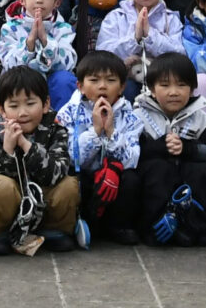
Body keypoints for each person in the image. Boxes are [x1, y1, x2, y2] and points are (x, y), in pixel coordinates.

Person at [0, 64, 83, 256]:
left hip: (40, 201)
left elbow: (56, 172)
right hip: (10, 202)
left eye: (30, 103)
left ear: (46, 104)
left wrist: (26, 145)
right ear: (2, 109)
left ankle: (53, 231)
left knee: (68, 185)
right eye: (14, 106)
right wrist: (7, 148)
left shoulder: (56, 131)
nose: (23, 112)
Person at [129, 50, 206, 245]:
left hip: (188, 175)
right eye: (164, 85)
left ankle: (198, 227)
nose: (174, 92)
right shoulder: (138, 116)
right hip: (157, 178)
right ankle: (155, 227)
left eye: (181, 85)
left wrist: (188, 149)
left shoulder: (201, 118)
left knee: (205, 171)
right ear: (152, 89)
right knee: (156, 168)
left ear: (193, 88)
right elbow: (133, 153)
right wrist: (160, 146)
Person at [59, 49, 143, 243]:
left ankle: (119, 226)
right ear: (80, 85)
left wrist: (112, 133)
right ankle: (79, 223)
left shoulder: (131, 116)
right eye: (94, 80)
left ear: (122, 87)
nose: (102, 86)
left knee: (130, 179)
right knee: (71, 177)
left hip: (114, 176)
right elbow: (71, 157)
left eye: (111, 81)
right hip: (86, 175)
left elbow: (133, 159)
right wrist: (95, 132)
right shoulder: (67, 113)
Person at [0, 0, 80, 111]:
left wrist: (46, 42)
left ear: (57, 2)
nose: (39, 0)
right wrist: (29, 44)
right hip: (21, 82)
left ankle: (62, 124)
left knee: (65, 79)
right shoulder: (10, 28)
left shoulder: (64, 29)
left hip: (51, 82)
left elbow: (68, 63)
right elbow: (9, 64)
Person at [97, 0, 187, 82]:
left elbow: (180, 56)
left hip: (161, 80)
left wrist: (150, 34)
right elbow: (103, 56)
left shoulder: (171, 19)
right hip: (123, 79)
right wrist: (135, 38)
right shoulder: (116, 17)